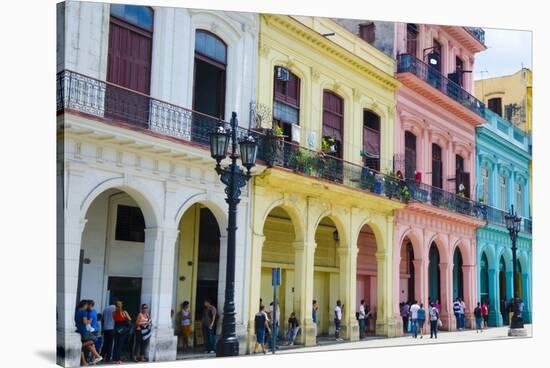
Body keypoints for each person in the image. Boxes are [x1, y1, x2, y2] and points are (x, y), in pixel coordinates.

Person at [75, 300, 103, 365]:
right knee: (94, 339)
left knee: (89, 345)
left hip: (78, 330)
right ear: (84, 305)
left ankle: (87, 361)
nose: (87, 306)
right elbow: (85, 322)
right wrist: (89, 321)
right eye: (86, 305)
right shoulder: (84, 312)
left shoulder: (77, 311)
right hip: (83, 331)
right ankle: (96, 357)